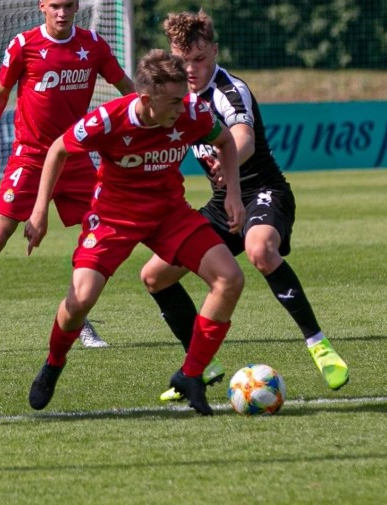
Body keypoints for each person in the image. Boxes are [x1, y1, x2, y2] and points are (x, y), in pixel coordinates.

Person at [139, 10, 349, 402]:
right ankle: (199, 367)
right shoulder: (175, 98)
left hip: (264, 192)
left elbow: (243, 137)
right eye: (182, 61)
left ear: (215, 51)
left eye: (199, 60)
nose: (191, 69)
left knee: (260, 249)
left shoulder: (229, 90)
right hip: (223, 204)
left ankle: (319, 346)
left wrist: (228, 160)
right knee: (155, 276)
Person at [23, 49, 246, 416]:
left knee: (230, 278)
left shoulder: (191, 113)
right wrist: (39, 211)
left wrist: (233, 194)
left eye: (184, 98)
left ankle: (190, 375)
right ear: (146, 99)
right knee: (80, 300)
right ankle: (54, 361)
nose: (183, 107)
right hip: (113, 218)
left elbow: (226, 142)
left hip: (169, 213)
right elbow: (58, 150)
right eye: (174, 101)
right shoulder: (107, 120)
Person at [0, 0, 135, 355]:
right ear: (42, 7)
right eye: (55, 6)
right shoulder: (24, 45)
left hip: (74, 158)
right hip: (30, 158)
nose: (62, 12)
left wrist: (146, 121)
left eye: (69, 5)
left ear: (77, 7)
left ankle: (76, 319)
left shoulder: (92, 46)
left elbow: (127, 90)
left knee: (98, 236)